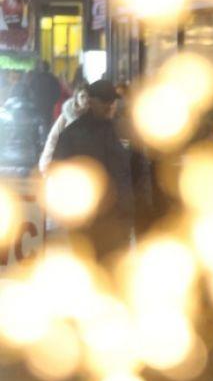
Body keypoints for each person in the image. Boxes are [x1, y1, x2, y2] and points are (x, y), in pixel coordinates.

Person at [51, 79, 152, 260]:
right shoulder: (72, 134)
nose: (109, 105)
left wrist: (141, 211)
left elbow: (140, 171)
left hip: (119, 218)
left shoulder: (126, 130)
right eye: (104, 100)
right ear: (91, 101)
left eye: (112, 101)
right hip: (85, 220)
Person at [39, 85, 89, 173]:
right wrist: (46, 162)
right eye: (82, 96)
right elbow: (53, 138)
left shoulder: (94, 118)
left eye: (88, 96)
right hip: (65, 163)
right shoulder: (66, 116)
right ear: (76, 98)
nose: (85, 100)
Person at [26, 61, 62, 130]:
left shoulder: (35, 78)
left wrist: (32, 100)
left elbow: (29, 90)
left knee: (37, 123)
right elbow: (57, 92)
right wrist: (53, 102)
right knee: (47, 124)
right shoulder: (53, 78)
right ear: (48, 68)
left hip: (37, 104)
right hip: (48, 105)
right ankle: (46, 138)